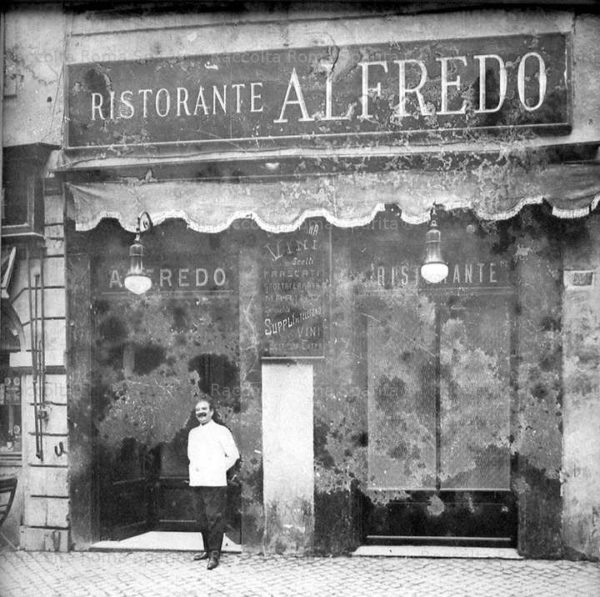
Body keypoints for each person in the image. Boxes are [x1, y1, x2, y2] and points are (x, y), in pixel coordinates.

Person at [188, 396, 240, 570]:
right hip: (197, 482)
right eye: (198, 410)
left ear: (211, 412)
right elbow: (191, 456)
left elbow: (233, 455)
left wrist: (217, 470)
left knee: (214, 519)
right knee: (201, 518)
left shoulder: (221, 431)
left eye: (204, 409)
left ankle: (215, 554)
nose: (200, 413)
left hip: (215, 483)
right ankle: (207, 550)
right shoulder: (193, 433)